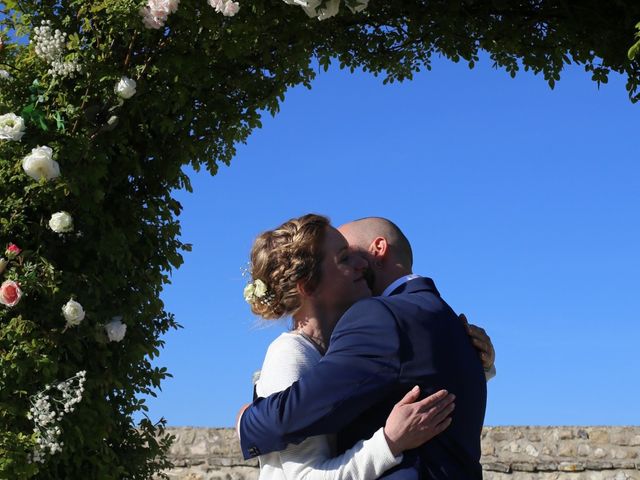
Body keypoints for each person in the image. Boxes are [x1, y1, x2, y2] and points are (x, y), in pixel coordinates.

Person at [241, 214, 494, 479]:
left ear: (380, 249)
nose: (360, 264)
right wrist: (388, 442)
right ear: (309, 286)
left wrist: (247, 421)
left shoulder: (375, 326)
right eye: (344, 258)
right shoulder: (291, 353)